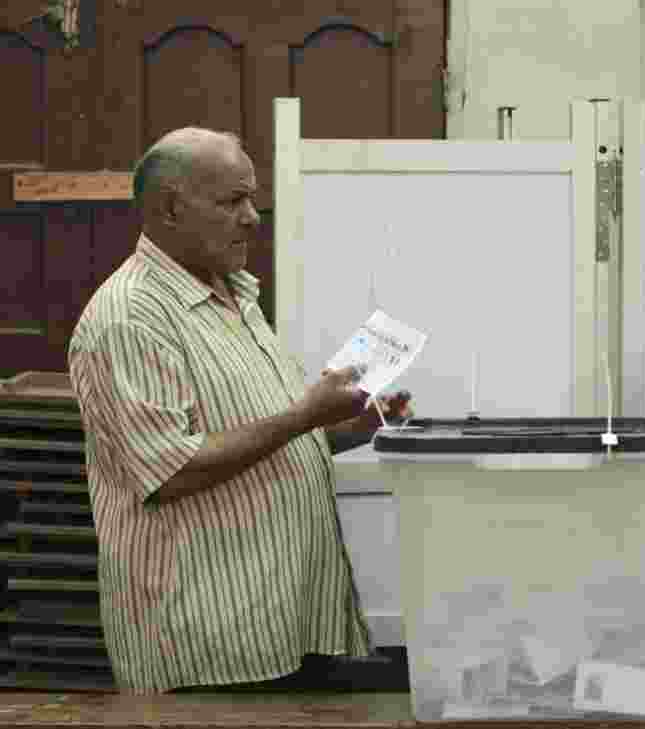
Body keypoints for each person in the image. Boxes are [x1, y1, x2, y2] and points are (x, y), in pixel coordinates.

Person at [68, 127, 411, 694]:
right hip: (210, 643)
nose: (253, 217)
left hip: (285, 621)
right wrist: (304, 416)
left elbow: (256, 437)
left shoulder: (234, 294)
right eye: (232, 201)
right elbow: (170, 470)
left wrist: (344, 427)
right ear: (171, 209)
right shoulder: (128, 318)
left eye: (251, 198)